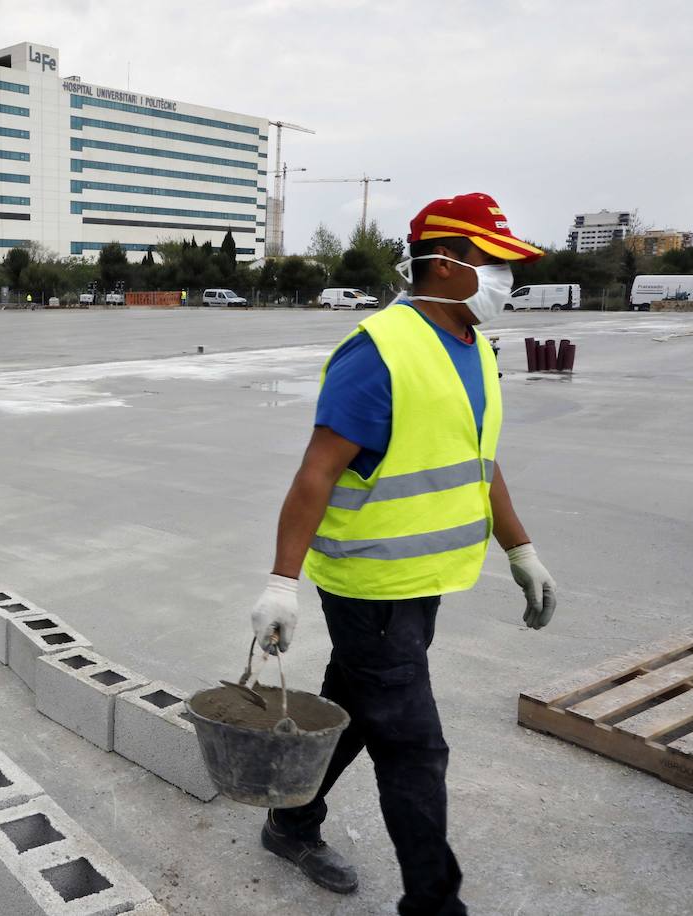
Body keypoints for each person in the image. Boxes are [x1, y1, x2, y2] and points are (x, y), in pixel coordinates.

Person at [249, 193, 558, 915]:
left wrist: (521, 548)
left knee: (358, 708)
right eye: (494, 262)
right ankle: (434, 903)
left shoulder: (474, 345)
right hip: (369, 585)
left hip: (424, 580)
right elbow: (316, 473)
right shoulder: (379, 351)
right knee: (415, 747)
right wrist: (280, 584)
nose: (506, 278)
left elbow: (477, 459)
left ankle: (291, 820)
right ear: (445, 265)